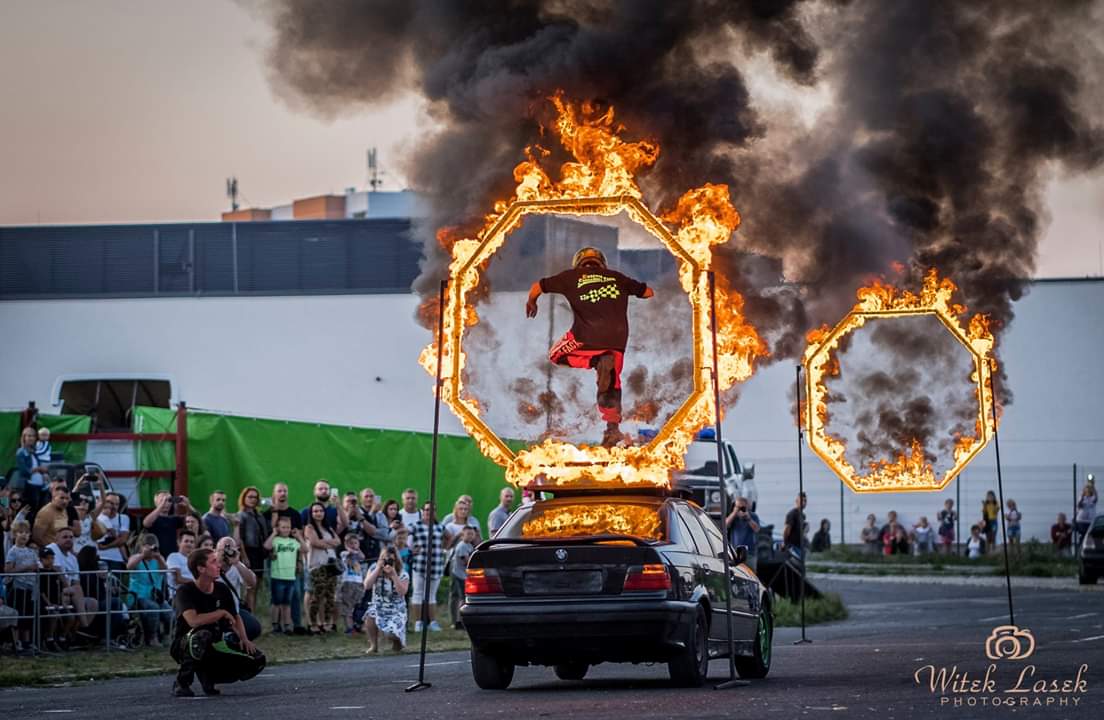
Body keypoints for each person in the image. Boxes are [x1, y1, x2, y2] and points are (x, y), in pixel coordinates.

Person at [526, 247, 655, 447]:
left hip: (586, 336)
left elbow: (537, 286)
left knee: (555, 355)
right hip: (617, 340)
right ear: (601, 263)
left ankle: (595, 361)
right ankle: (612, 430)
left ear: (579, 263)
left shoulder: (571, 277)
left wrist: (532, 301)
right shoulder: (617, 277)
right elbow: (648, 292)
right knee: (612, 382)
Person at [171, 548, 264, 697]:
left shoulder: (222, 589)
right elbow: (193, 621)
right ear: (201, 568)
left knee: (256, 659)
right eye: (213, 562)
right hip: (185, 643)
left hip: (214, 643)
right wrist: (220, 613)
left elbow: (235, 617)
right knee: (200, 636)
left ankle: (209, 675)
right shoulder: (185, 591)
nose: (218, 565)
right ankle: (182, 682)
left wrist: (243, 638)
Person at [410, 501, 452, 632]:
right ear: (422, 511)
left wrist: (444, 548)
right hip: (419, 564)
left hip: (436, 565)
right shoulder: (416, 526)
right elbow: (405, 535)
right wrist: (411, 549)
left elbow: (449, 537)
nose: (429, 512)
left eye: (432, 510)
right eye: (427, 510)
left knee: (431, 595)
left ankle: (432, 622)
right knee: (417, 593)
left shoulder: (439, 526)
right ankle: (418, 623)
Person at [46, 527, 98, 631]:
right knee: (76, 589)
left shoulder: (73, 558)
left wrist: (71, 591)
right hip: (52, 590)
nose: (69, 539)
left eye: (71, 537)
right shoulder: (52, 548)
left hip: (69, 592)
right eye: (65, 537)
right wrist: (69, 588)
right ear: (56, 539)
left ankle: (76, 632)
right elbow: (57, 570)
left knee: (92, 603)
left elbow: (76, 581)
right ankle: (85, 627)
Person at [363, 544, 410, 654]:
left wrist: (394, 575)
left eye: (391, 560)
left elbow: (402, 592)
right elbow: (367, 586)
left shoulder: (403, 573)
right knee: (370, 617)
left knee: (391, 634)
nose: (387, 562)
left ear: (396, 561)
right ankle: (374, 646)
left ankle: (397, 642)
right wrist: (378, 569)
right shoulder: (374, 568)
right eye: (385, 559)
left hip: (396, 608)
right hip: (378, 605)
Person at [126, 534, 172, 646]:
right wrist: (142, 555)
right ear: (141, 546)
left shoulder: (158, 560)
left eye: (153, 547)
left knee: (169, 611)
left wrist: (158, 556)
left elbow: (164, 570)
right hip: (138, 596)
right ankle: (152, 638)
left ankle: (166, 635)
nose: (151, 550)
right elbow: (129, 566)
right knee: (153, 608)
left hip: (155, 597)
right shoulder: (135, 558)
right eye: (147, 546)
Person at [304, 501, 341, 634]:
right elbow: (315, 542)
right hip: (317, 566)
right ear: (311, 513)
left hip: (330, 566)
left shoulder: (328, 528)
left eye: (320, 511)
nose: (318, 513)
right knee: (317, 596)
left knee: (330, 596)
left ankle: (326, 622)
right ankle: (313, 623)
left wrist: (326, 543)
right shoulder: (309, 528)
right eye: (315, 511)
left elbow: (338, 541)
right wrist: (328, 543)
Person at [215, 536, 259, 640]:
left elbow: (252, 583)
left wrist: (236, 562)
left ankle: (232, 639)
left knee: (254, 628)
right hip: (213, 611)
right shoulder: (210, 564)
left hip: (234, 611)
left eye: (230, 549)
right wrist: (219, 562)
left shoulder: (237, 566)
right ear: (216, 550)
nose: (227, 552)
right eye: (224, 549)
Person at [4, 520, 37, 653]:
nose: (24, 535)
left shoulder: (31, 551)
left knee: (28, 616)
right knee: (18, 615)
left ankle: (27, 641)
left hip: (30, 588)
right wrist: (26, 568)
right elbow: (8, 570)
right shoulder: (13, 551)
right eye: (20, 532)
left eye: (26, 532)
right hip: (18, 588)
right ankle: (16, 642)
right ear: (15, 534)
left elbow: (36, 566)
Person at [233, 486, 267, 612]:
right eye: (250, 497)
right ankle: (249, 614)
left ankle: (251, 613)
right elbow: (239, 538)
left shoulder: (259, 515)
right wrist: (244, 556)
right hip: (248, 552)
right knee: (250, 587)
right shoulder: (241, 515)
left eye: (255, 497)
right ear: (244, 498)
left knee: (256, 586)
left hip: (259, 553)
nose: (253, 499)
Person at [264, 515, 300, 634]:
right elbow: (266, 546)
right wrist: (274, 534)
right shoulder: (276, 540)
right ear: (278, 528)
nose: (286, 530)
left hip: (290, 577)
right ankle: (275, 625)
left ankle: (287, 625)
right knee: (276, 603)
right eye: (283, 527)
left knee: (287, 603)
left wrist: (299, 536)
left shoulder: (293, 542)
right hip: (277, 576)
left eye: (288, 527)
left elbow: (305, 549)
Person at [143, 492, 194, 556]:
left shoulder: (174, 519)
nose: (166, 503)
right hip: (156, 556)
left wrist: (188, 505)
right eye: (162, 500)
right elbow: (146, 523)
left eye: (169, 500)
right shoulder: (153, 518)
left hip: (172, 556)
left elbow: (196, 519)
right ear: (156, 503)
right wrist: (161, 505)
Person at [337, 533, 366, 634]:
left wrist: (358, 549)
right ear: (346, 545)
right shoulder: (344, 553)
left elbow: (362, 556)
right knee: (347, 606)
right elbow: (349, 554)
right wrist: (351, 549)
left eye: (355, 543)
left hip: (358, 582)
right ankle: (349, 628)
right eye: (350, 543)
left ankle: (355, 625)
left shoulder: (359, 554)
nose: (353, 545)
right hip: (348, 582)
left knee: (356, 605)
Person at [448, 526, 477, 629]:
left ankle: (459, 620)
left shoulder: (469, 545)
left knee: (462, 598)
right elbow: (467, 562)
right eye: (468, 534)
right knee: (462, 598)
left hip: (463, 575)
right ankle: (459, 621)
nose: (470, 536)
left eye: (472, 534)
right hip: (459, 575)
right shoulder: (462, 546)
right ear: (462, 535)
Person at [15, 427, 50, 510]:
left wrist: (44, 473)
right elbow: (24, 471)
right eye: (29, 436)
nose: (31, 438)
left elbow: (40, 465)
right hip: (29, 487)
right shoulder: (21, 452)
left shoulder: (34, 451)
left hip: (41, 487)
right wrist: (38, 469)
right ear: (24, 437)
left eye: (33, 436)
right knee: (31, 511)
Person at [96, 492, 131, 572]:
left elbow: (122, 540)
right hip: (99, 557)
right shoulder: (96, 517)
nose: (113, 507)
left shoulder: (123, 518)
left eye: (116, 504)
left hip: (115, 559)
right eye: (110, 503)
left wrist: (105, 547)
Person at [725, 496, 761, 572]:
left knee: (751, 573)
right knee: (735, 573)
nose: (740, 509)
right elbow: (725, 525)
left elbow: (757, 529)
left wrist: (749, 519)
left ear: (747, 506)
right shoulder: (733, 517)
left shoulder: (753, 516)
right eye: (738, 507)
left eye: (742, 507)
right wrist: (734, 513)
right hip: (735, 553)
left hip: (750, 553)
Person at [166, 530, 197, 597]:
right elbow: (178, 579)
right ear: (179, 542)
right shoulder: (173, 556)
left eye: (192, 542)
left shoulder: (195, 559)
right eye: (186, 541)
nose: (189, 544)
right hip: (179, 595)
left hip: (195, 594)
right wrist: (196, 582)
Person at [782, 493, 807, 559]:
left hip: (800, 546)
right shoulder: (792, 514)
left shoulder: (803, 515)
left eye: (805, 501)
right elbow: (787, 530)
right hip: (793, 547)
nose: (803, 503)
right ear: (796, 501)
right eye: (802, 500)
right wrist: (785, 543)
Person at [1075, 482, 1098, 550]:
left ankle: (1090, 550)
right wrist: (1082, 496)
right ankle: (1080, 550)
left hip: (1090, 521)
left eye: (1089, 491)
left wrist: (1093, 487)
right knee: (1082, 536)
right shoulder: (1082, 498)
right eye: (1086, 490)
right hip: (1081, 521)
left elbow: (1096, 498)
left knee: (1090, 536)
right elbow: (1079, 505)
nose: (1087, 492)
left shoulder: (1093, 498)